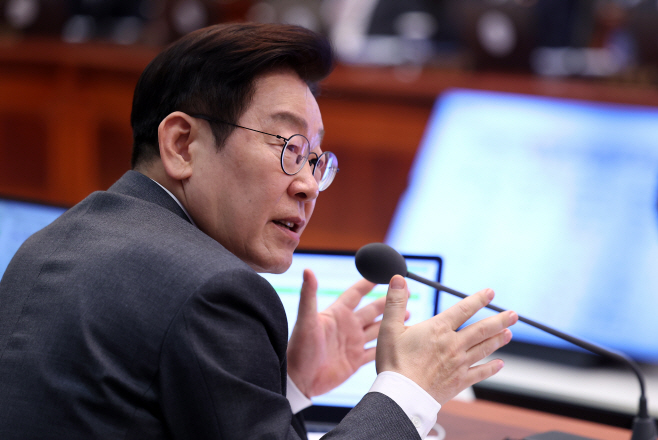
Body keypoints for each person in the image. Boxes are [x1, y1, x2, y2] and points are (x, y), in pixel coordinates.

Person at [0, 22, 517, 439]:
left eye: (315, 159)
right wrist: (409, 391)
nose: (309, 185)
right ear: (181, 145)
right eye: (289, 147)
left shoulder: (51, 242)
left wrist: (291, 385)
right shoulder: (212, 290)